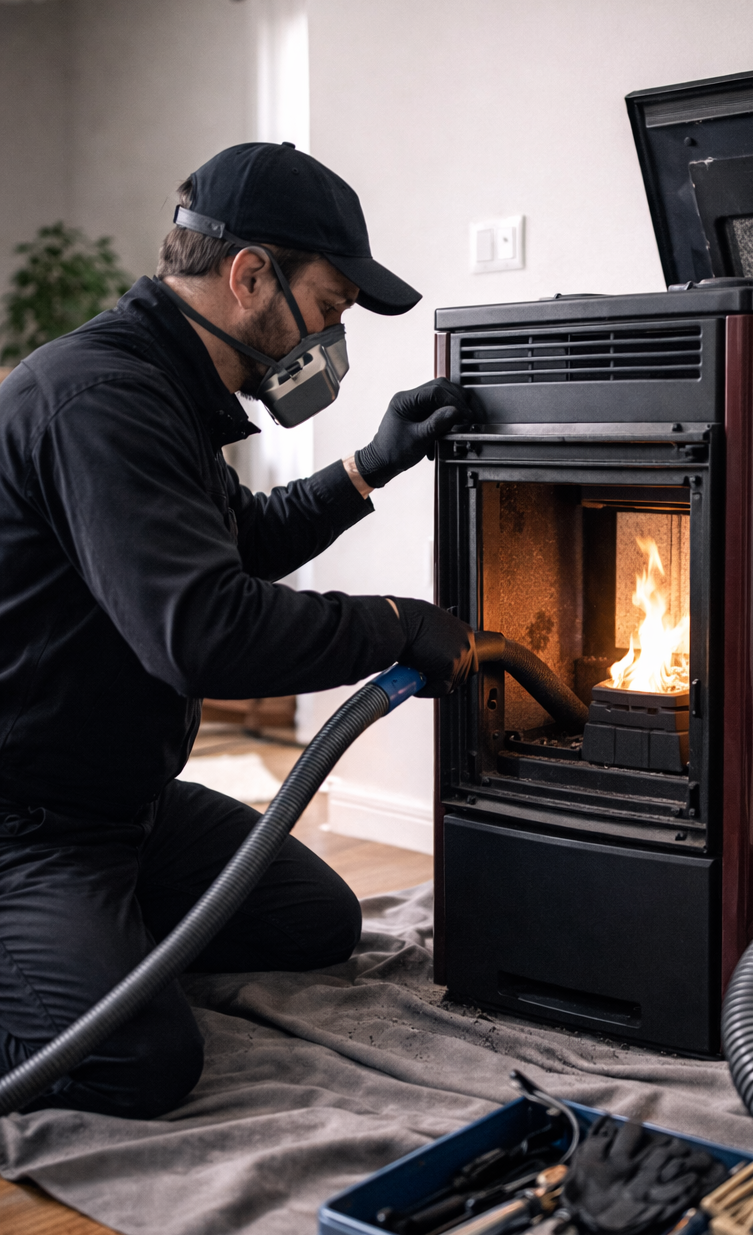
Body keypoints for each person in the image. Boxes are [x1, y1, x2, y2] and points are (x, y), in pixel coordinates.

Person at [0, 142, 476, 1119]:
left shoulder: (164, 388)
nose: (333, 339)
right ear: (250, 274)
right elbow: (203, 632)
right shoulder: (104, 399)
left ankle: (84, 942)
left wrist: (369, 467)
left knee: (314, 920)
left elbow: (241, 541)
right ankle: (55, 960)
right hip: (24, 821)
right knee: (141, 1063)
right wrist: (392, 626)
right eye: (333, 306)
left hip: (119, 806)